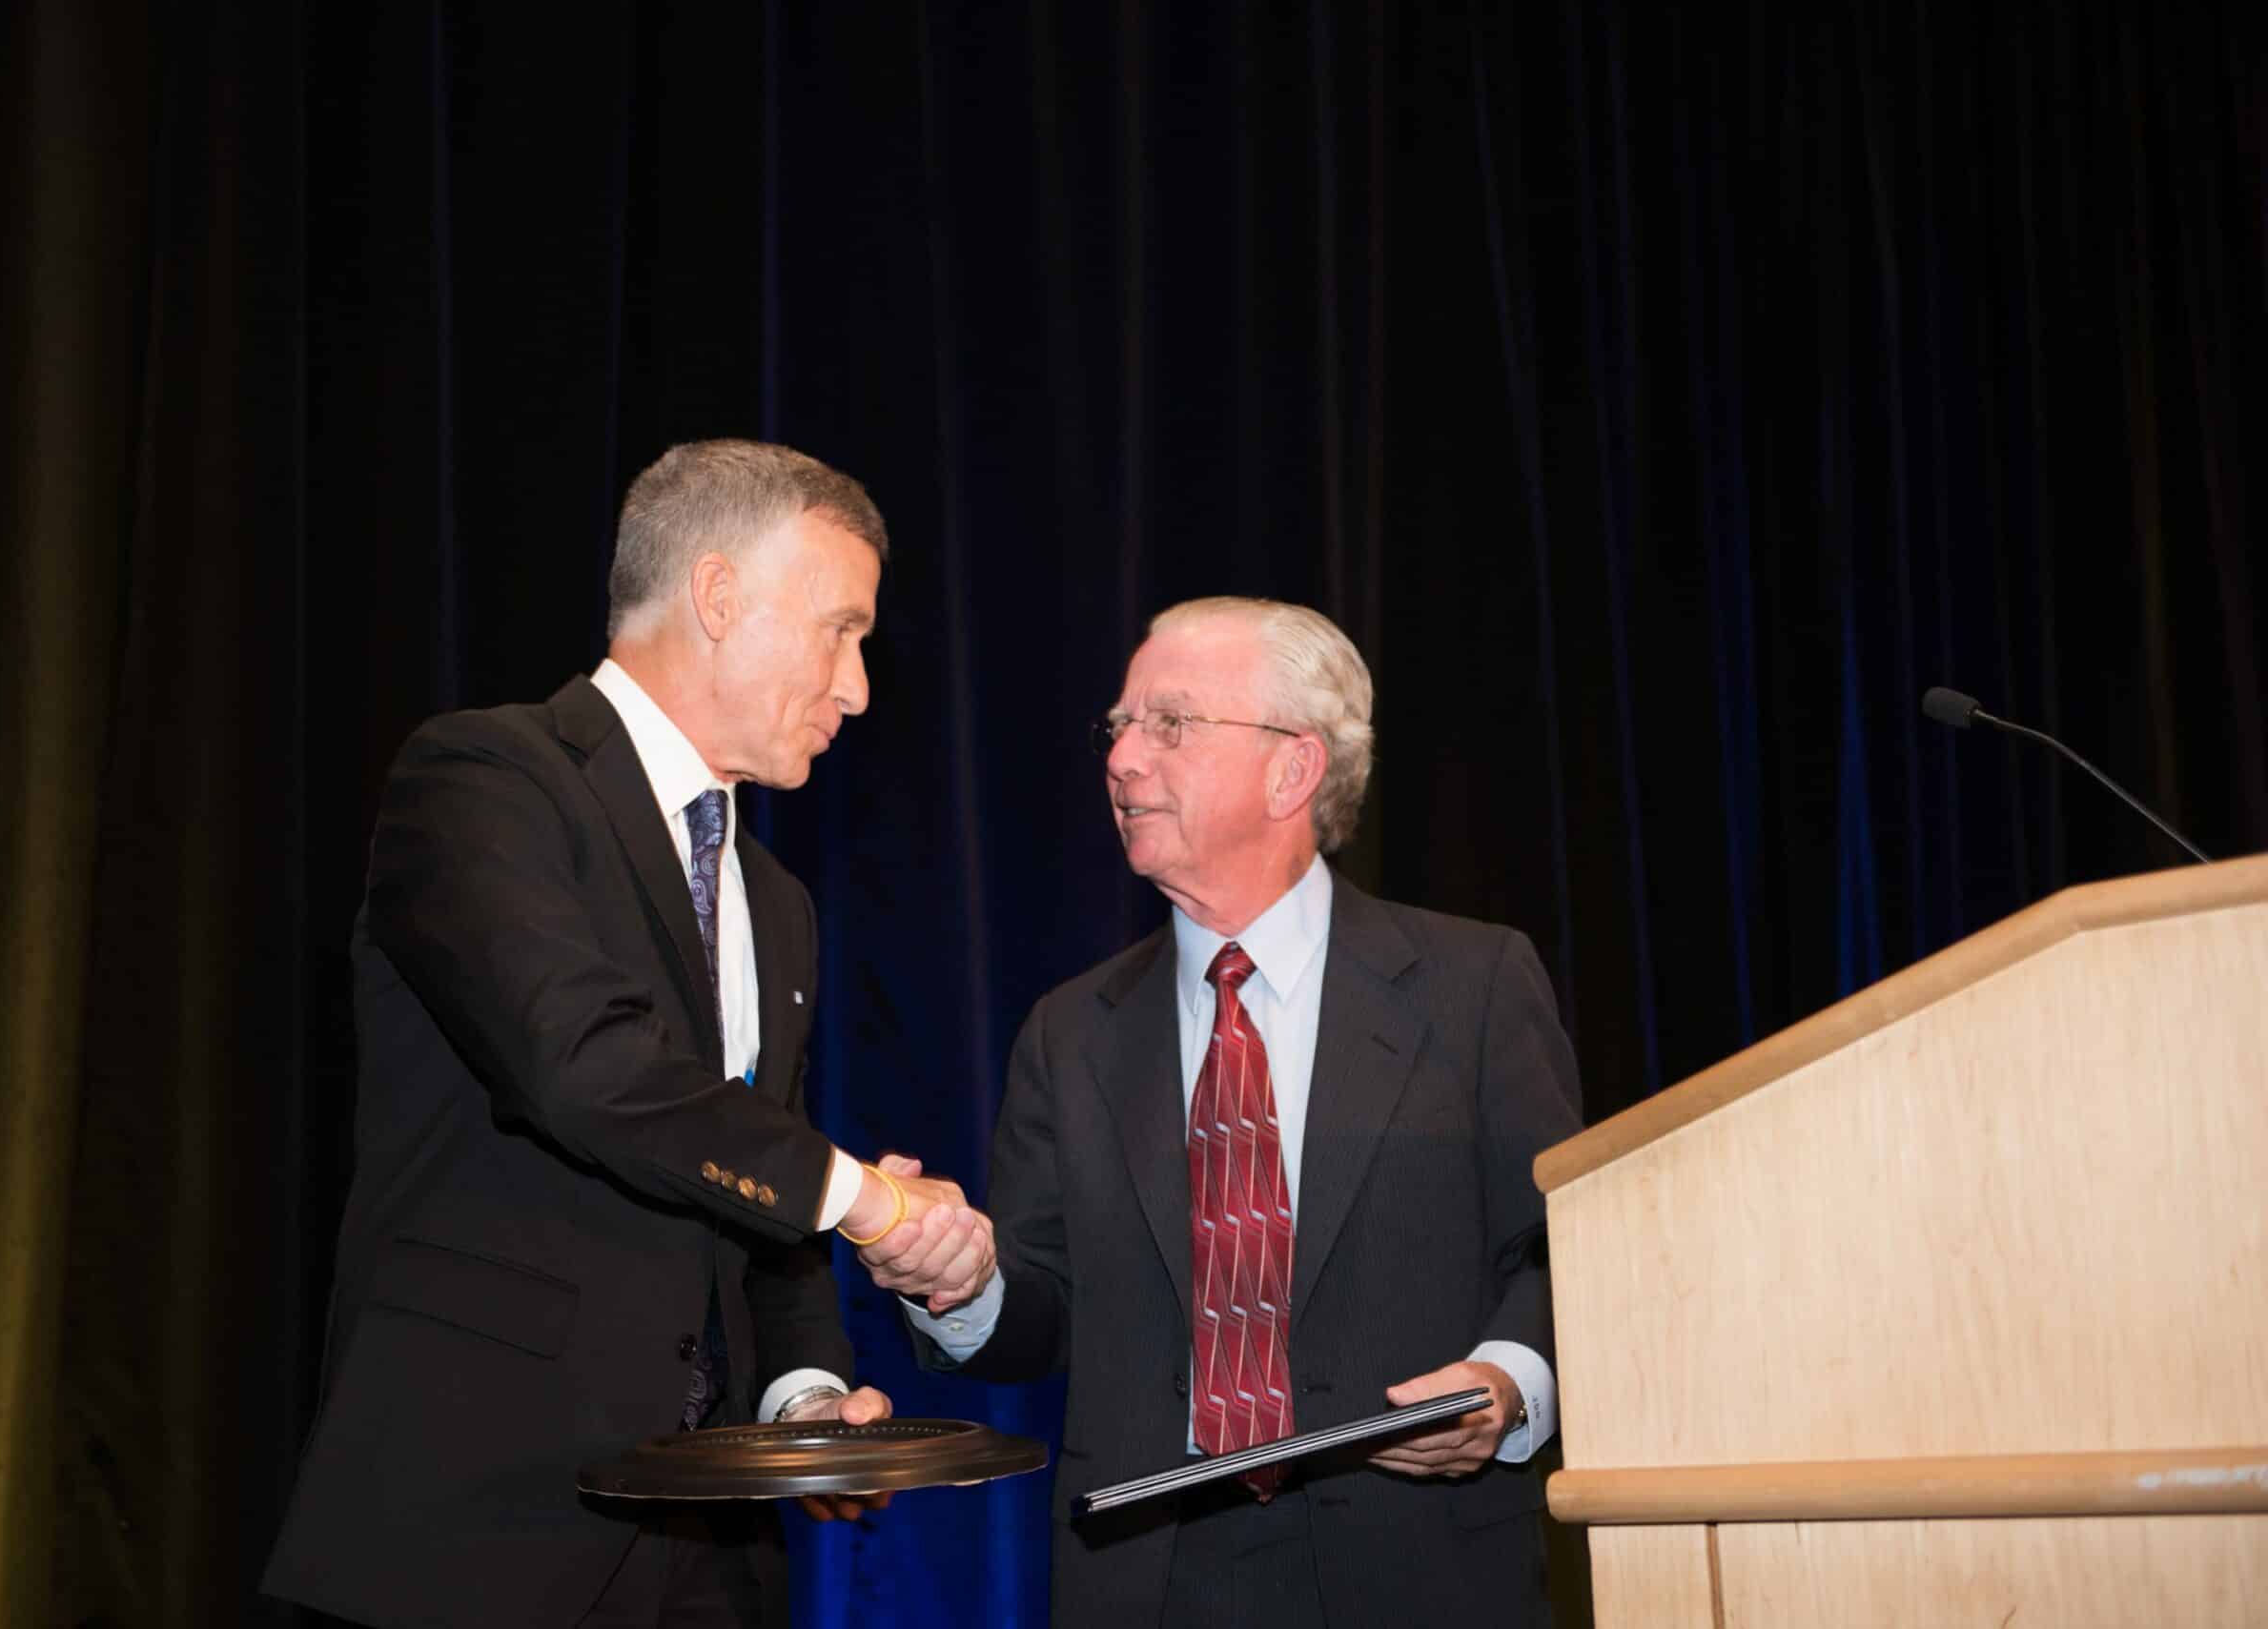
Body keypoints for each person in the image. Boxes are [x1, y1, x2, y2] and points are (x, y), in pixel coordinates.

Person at [263, 440, 994, 1629]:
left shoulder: (776, 899)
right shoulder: (487, 777)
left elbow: (750, 1175)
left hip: (710, 1544)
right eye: (840, 631)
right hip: (483, 1518)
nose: (857, 688)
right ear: (718, 595)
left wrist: (804, 1401)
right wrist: (871, 1199)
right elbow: (586, 1065)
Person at [861, 597, 1584, 1627]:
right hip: (1146, 1575)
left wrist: (1503, 1385)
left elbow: (1563, 1246)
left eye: (1170, 723)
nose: (1122, 760)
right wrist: (959, 1279)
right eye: (1119, 727)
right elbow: (1042, 1311)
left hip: (1419, 1564)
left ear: (1293, 767)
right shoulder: (1071, 1030)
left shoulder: (1472, 987)